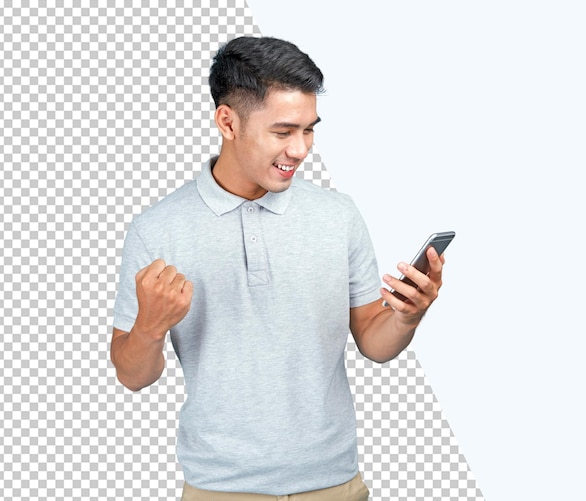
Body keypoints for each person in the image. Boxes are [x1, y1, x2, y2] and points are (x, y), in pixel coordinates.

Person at [110, 36, 446, 501]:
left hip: (335, 485)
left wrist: (407, 315)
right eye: (283, 132)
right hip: (221, 489)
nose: (301, 149)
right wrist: (148, 327)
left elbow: (374, 340)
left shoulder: (338, 215)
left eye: (310, 130)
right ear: (227, 122)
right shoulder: (158, 230)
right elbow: (133, 375)